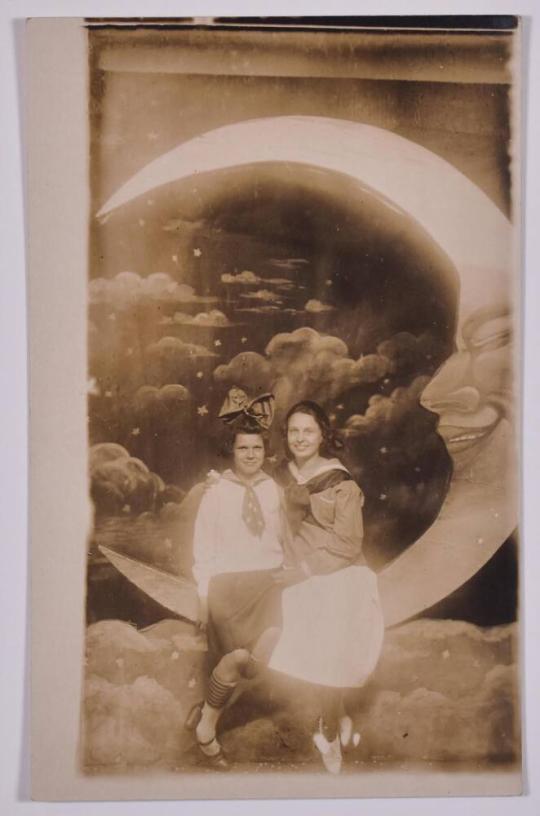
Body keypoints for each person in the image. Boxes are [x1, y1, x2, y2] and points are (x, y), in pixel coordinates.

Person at [268, 400, 385, 774]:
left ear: (322, 436)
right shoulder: (279, 478)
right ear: (286, 436)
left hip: (338, 572)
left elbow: (348, 546)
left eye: (309, 431)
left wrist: (305, 569)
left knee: (333, 641)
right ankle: (335, 718)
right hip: (297, 574)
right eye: (294, 431)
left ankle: (329, 729)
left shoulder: (341, 483)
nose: (300, 438)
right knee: (316, 639)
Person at [186, 389, 284, 768]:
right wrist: (203, 596)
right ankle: (207, 727)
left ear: (265, 452)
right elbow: (203, 550)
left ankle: (205, 710)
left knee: (265, 653)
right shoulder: (216, 493)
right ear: (232, 451)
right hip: (228, 588)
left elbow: (283, 537)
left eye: (257, 449)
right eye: (243, 449)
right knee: (237, 659)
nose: (250, 455)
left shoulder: (273, 489)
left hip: (266, 584)